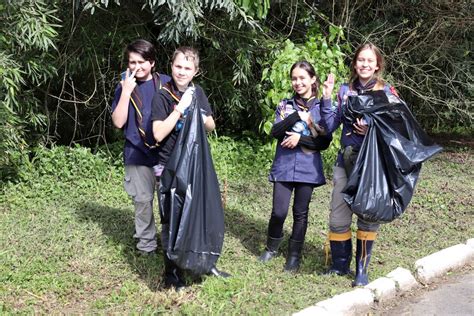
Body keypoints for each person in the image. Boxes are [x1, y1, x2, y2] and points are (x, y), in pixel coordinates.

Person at [320, 42, 400, 286]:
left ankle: (361, 272)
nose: (365, 64)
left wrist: (371, 127)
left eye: (370, 61)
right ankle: (339, 266)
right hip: (345, 159)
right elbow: (331, 126)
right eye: (361, 60)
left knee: (367, 213)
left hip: (372, 162)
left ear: (377, 65)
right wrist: (326, 97)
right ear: (355, 63)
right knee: (338, 215)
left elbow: (398, 126)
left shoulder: (387, 91)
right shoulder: (345, 91)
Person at [151, 46, 228, 290]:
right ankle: (172, 274)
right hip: (169, 166)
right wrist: (180, 109)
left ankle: (204, 262)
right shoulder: (162, 96)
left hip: (195, 165)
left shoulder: (198, 92)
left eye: (187, 68)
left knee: (200, 214)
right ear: (171, 66)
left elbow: (211, 126)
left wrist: (201, 114)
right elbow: (158, 133)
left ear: (196, 71)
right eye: (178, 66)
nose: (182, 72)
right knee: (172, 219)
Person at [259, 61, 334, 272]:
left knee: (301, 213)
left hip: (308, 169)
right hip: (283, 166)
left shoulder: (322, 108)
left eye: (302, 78)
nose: (298, 82)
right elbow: (275, 132)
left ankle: (294, 255)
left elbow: (324, 142)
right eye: (294, 78)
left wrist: (299, 139)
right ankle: (271, 247)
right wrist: (296, 117)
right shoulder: (285, 105)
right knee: (278, 212)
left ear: (312, 79)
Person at [111, 39, 170, 256]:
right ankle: (146, 245)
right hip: (136, 154)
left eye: (142, 62)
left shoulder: (166, 83)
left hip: (164, 154)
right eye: (132, 62)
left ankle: (170, 241)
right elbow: (118, 122)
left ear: (152, 62)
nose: (137, 67)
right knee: (143, 202)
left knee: (168, 199)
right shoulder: (124, 85)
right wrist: (126, 91)